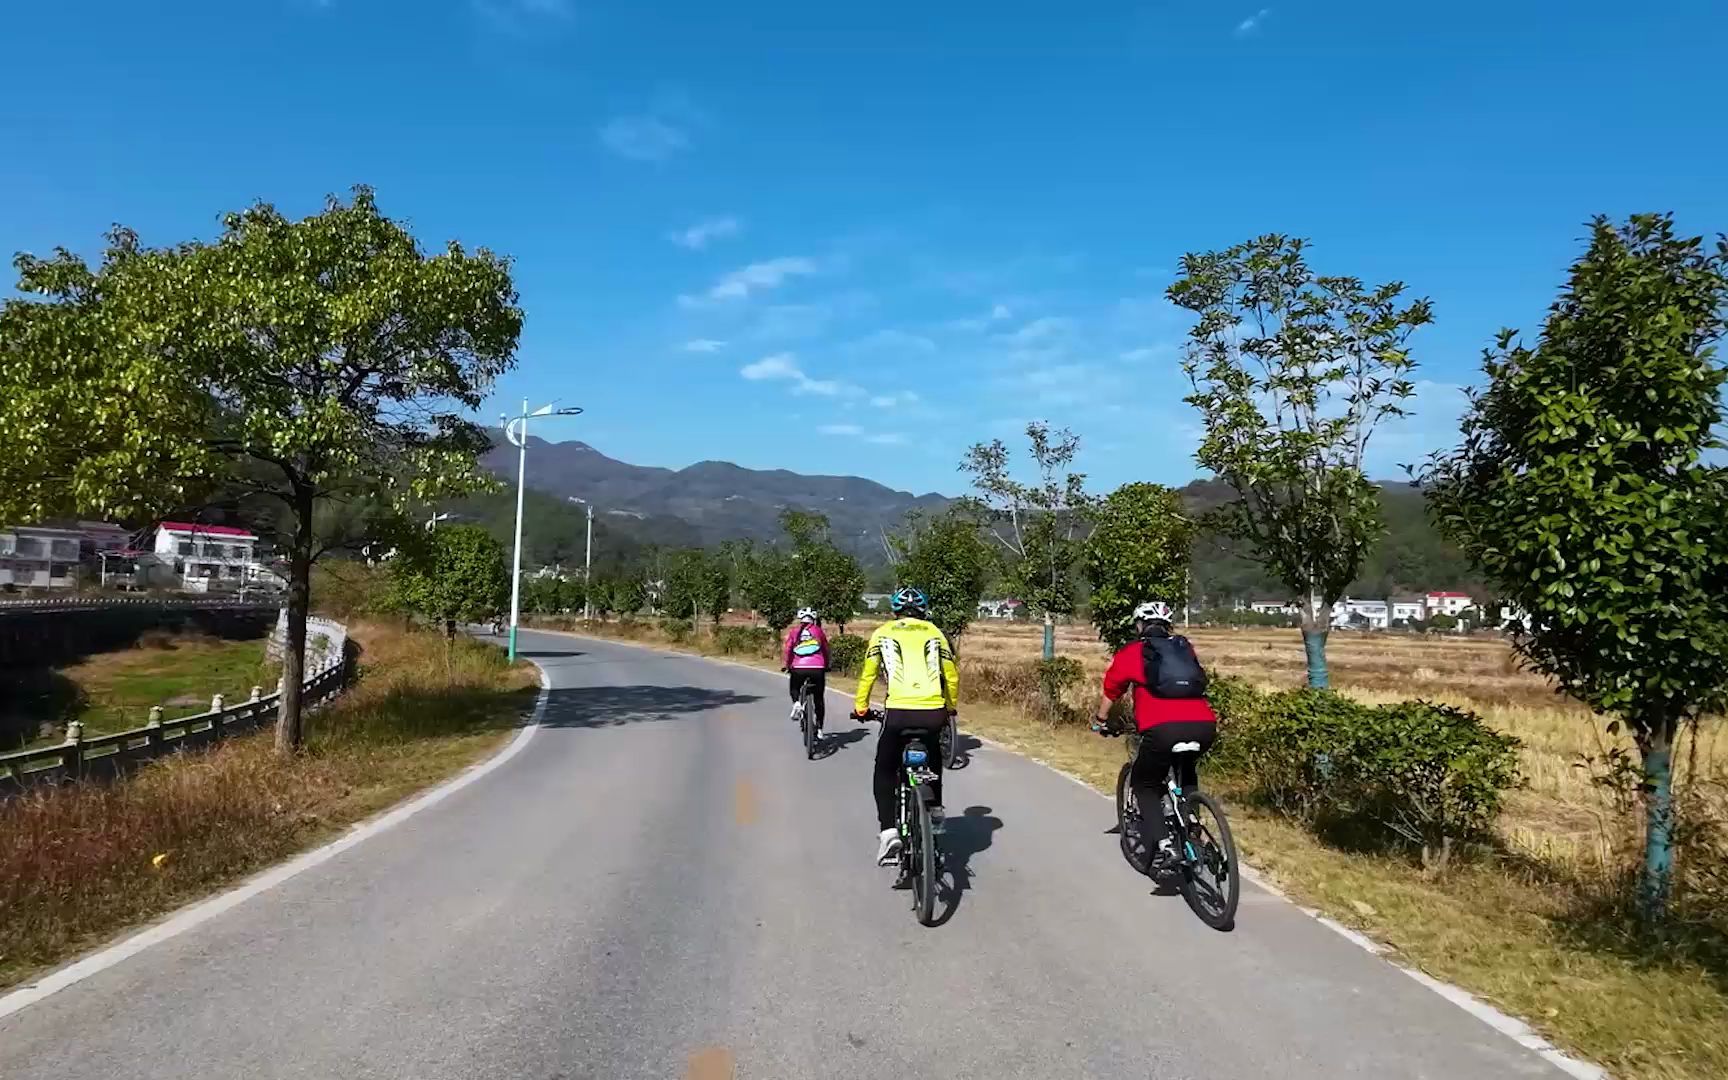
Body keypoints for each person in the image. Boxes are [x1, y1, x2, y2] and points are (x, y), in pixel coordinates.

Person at [1093, 600, 1218, 873]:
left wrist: (1100, 721)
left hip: (1162, 729)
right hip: (1204, 725)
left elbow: (1111, 690)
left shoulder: (1133, 652)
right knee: (1186, 772)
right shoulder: (1184, 648)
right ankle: (1192, 825)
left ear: (1140, 625)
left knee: (1144, 784)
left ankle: (1166, 845)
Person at [850, 586, 960, 865]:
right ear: (923, 610)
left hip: (898, 712)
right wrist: (949, 707)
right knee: (933, 756)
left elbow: (869, 674)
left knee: (884, 768)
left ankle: (888, 831)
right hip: (932, 711)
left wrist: (861, 707)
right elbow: (952, 676)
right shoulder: (936, 633)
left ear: (896, 611)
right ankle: (934, 811)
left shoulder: (883, 632)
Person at [782, 607, 830, 729]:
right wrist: (827, 664)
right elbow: (825, 649)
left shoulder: (794, 632)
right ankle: (819, 729)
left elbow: (788, 650)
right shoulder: (818, 631)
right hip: (817, 668)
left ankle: (796, 702)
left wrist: (787, 665)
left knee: (794, 687)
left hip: (798, 667)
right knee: (819, 698)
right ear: (813, 619)